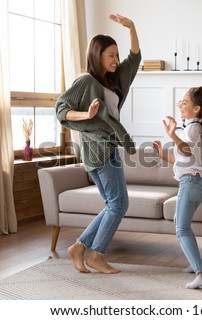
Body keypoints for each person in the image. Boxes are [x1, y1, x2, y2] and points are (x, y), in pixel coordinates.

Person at [55, 14, 141, 274]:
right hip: (100, 150)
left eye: (116, 55)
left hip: (106, 149)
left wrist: (132, 27)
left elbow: (134, 59)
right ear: (98, 56)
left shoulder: (112, 81)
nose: (116, 60)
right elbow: (61, 110)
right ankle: (96, 254)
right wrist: (87, 115)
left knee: (113, 205)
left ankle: (79, 248)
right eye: (111, 55)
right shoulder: (86, 81)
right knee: (119, 204)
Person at [153, 86, 202, 289]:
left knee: (181, 228)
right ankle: (194, 263)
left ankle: (201, 273)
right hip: (197, 183)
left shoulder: (192, 128)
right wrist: (163, 155)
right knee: (180, 222)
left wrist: (173, 136)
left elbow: (187, 151)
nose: (180, 104)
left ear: (197, 109)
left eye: (185, 102)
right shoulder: (194, 127)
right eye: (180, 101)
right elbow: (186, 160)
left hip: (191, 183)